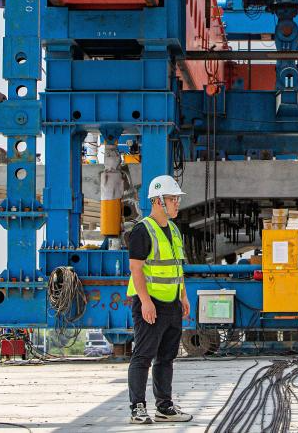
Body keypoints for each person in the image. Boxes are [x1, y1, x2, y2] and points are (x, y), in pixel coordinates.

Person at [126, 175, 194, 424]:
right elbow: (136, 269)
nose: (177, 203)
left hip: (172, 303)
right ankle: (137, 408)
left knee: (167, 357)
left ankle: (164, 407)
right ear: (157, 201)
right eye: (172, 199)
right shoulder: (142, 230)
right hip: (151, 303)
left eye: (176, 199)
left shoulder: (174, 230)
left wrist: (183, 296)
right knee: (143, 356)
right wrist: (145, 301)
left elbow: (177, 267)